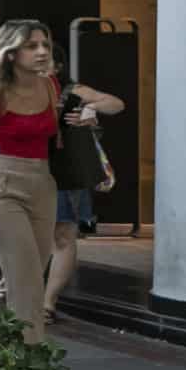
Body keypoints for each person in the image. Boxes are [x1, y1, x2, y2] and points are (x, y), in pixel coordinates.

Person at [0, 20, 65, 345]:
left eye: (45, 44)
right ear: (10, 52)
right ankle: (31, 364)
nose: (42, 51)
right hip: (0, 182)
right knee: (26, 279)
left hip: (42, 181)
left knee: (33, 268)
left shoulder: (51, 85)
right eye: (32, 46)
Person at [42, 50, 124, 322]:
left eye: (46, 57)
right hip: (24, 169)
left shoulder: (71, 90)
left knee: (63, 235)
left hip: (64, 171)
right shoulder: (12, 89)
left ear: (59, 65)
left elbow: (116, 103)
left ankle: (48, 303)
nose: (38, 61)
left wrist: (90, 110)